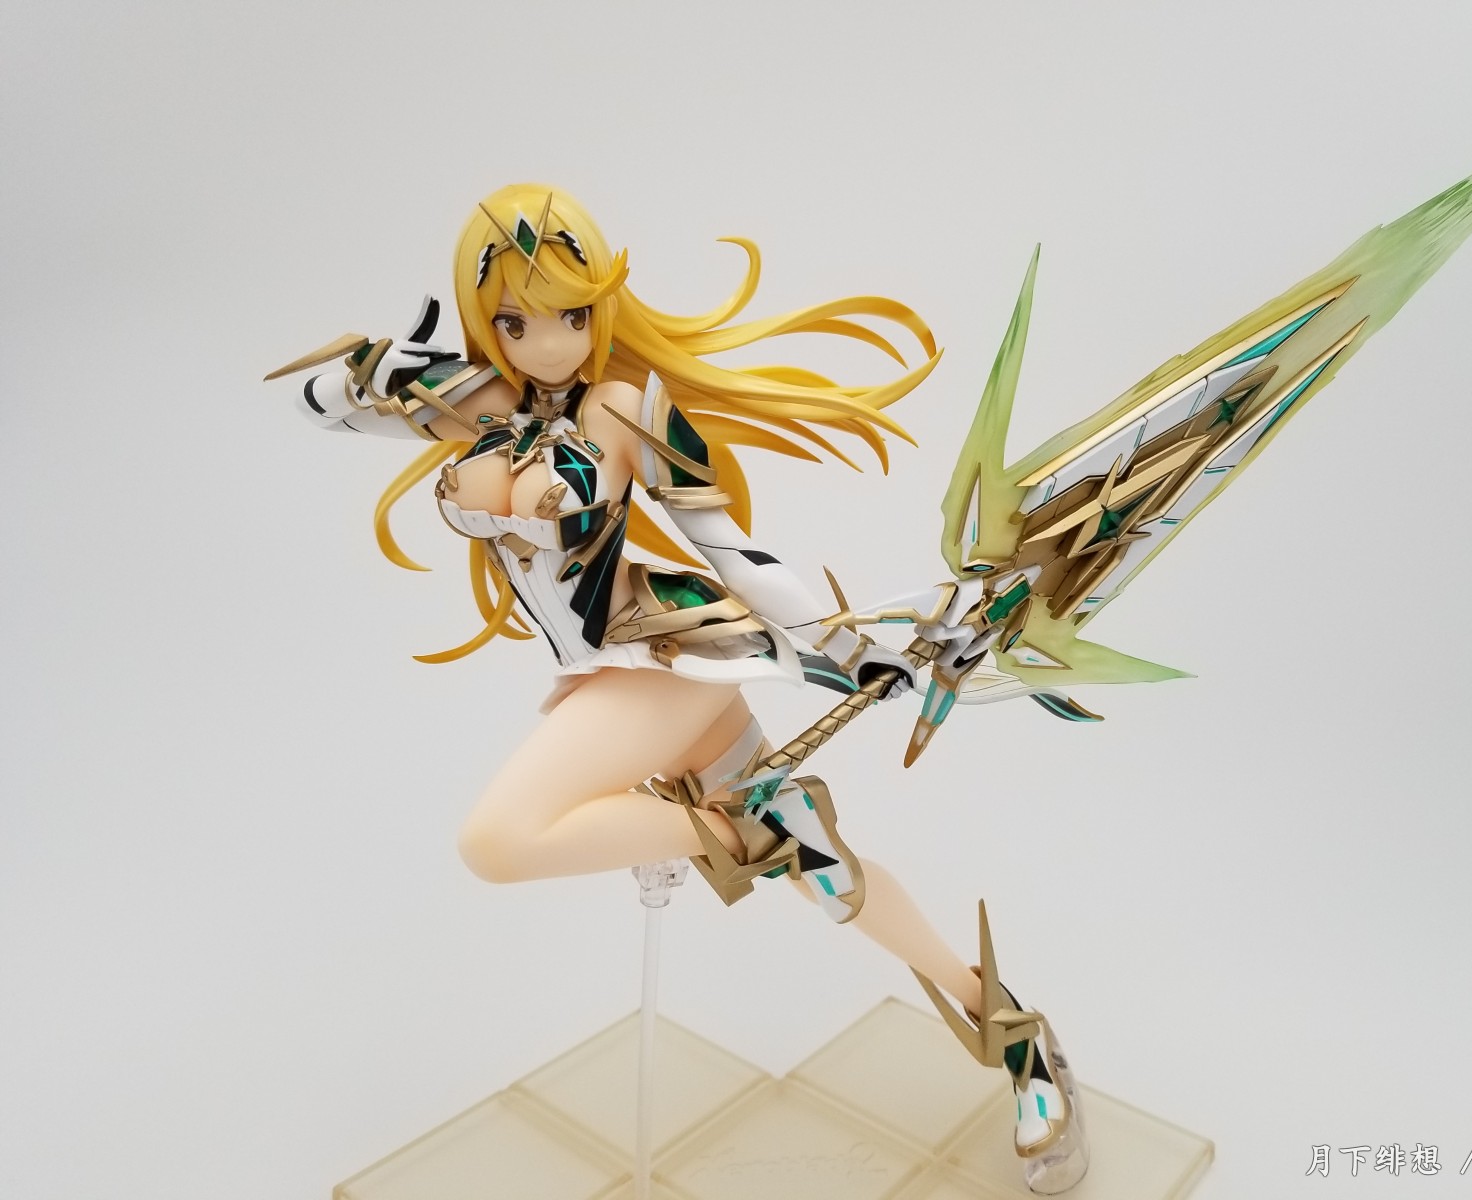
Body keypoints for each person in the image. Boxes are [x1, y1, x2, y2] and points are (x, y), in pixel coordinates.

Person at [271, 183, 1089, 1193]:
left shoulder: (628, 409)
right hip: (613, 672)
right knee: (828, 876)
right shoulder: (475, 405)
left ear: (602, 306)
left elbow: (732, 548)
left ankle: (735, 831)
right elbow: (312, 404)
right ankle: (1015, 1034)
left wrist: (840, 648)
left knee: (497, 841)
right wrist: (400, 363)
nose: (550, 343)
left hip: (663, 657)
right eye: (518, 321)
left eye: (573, 315)